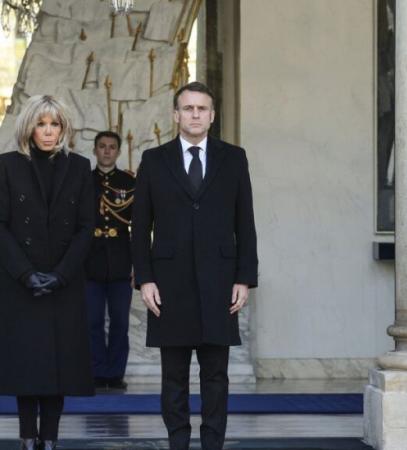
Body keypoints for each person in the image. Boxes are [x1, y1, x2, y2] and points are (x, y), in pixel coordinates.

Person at [131, 81, 258, 450]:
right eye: (188, 108)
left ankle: (213, 444)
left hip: (220, 283)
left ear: (213, 116)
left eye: (202, 108)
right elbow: (140, 227)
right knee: (173, 377)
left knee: (216, 375)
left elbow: (244, 223)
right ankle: (178, 443)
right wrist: (145, 279)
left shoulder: (234, 158)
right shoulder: (154, 160)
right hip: (168, 285)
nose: (196, 114)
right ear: (176, 115)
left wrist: (244, 278)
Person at [0, 95, 95, 450]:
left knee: (59, 365)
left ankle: (51, 438)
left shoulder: (80, 167)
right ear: (29, 127)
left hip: (63, 282)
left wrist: (62, 274)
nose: (48, 131)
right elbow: (1, 225)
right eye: (41, 124)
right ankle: (27, 437)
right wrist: (25, 274)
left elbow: (87, 227)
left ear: (64, 128)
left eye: (54, 124)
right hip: (19, 282)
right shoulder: (7, 166)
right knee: (28, 365)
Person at [84, 131, 135, 390]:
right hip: (89, 263)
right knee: (91, 321)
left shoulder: (129, 182)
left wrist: (139, 265)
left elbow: (138, 227)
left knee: (119, 321)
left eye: (112, 147)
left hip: (120, 262)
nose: (106, 151)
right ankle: (96, 372)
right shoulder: (83, 181)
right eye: (102, 146)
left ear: (118, 151)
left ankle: (115, 373)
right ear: (95, 150)